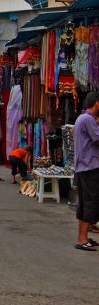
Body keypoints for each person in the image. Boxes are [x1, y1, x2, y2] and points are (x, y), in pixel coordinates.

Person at [73, 92, 99, 251]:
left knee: (85, 201)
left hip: (84, 166)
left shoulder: (82, 118)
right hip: (89, 166)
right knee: (91, 202)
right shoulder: (88, 120)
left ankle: (83, 236)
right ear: (97, 103)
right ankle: (82, 238)